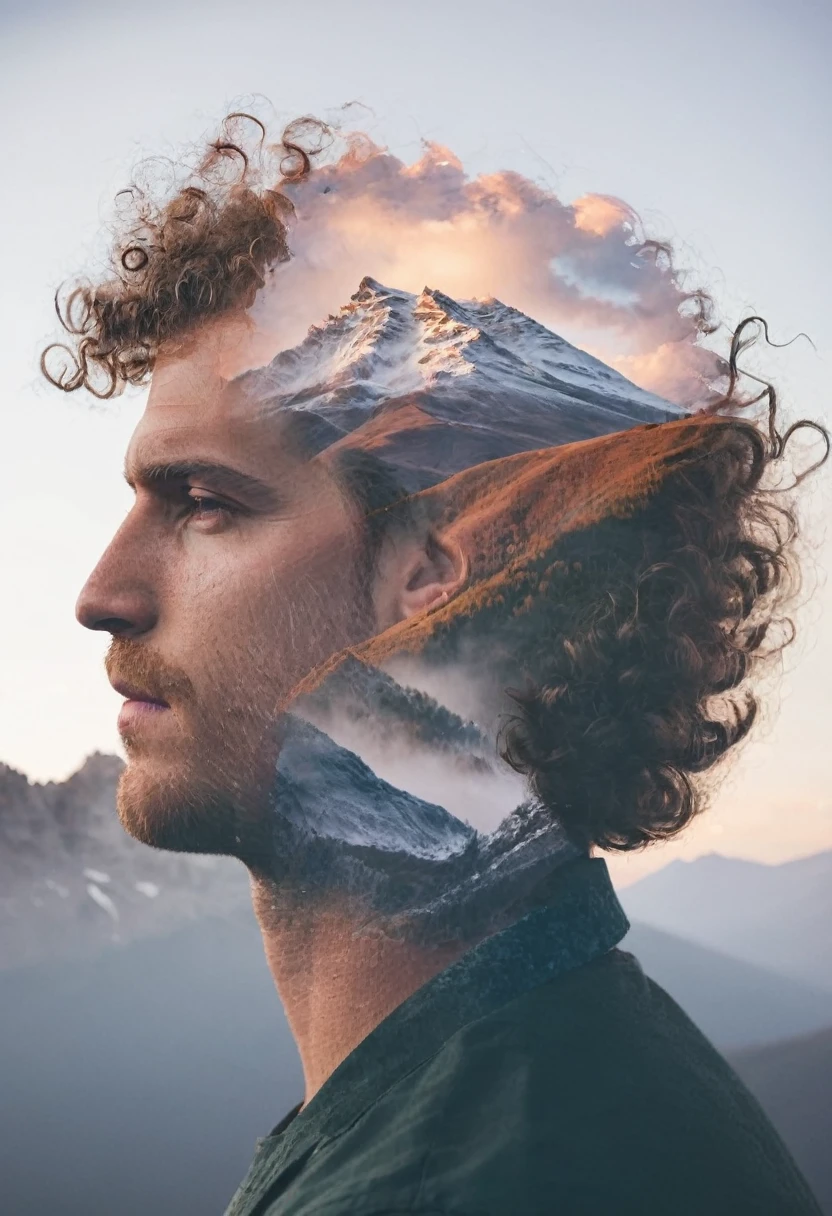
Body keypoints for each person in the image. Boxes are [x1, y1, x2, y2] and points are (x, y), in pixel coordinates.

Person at [43, 113, 827, 1215]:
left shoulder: (473, 1180)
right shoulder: (559, 1070)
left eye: (205, 503)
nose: (101, 594)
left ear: (431, 573)